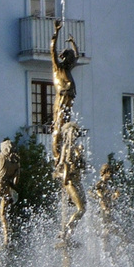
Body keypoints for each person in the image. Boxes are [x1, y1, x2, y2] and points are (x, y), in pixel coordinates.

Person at [50, 20, 79, 161]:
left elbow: (77, 57)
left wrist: (73, 44)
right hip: (61, 100)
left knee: (67, 125)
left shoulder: (68, 68)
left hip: (69, 100)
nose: (71, 61)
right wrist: (56, 32)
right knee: (59, 125)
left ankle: (66, 154)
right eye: (70, 58)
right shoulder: (58, 68)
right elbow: (52, 50)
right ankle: (58, 156)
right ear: (64, 58)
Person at [55, 122, 86, 241]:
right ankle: (68, 226)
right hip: (70, 182)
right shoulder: (66, 148)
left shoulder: (77, 149)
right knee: (80, 209)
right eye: (72, 133)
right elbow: (61, 165)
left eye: (75, 133)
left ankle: (69, 232)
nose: (74, 135)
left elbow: (83, 166)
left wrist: (80, 155)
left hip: (78, 181)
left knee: (84, 208)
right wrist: (65, 176)